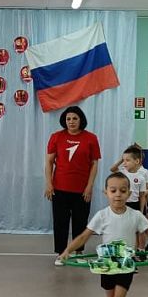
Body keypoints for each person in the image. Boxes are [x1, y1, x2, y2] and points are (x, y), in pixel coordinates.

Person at [45, 105, 101, 265]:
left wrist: (89, 186)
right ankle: (61, 254)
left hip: (82, 190)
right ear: (64, 120)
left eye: (75, 118)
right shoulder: (56, 137)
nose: (71, 121)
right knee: (60, 222)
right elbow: (49, 162)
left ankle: (79, 252)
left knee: (80, 222)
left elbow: (94, 164)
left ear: (81, 120)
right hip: (59, 189)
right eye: (68, 119)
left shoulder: (91, 138)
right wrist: (49, 184)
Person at [110, 144, 148, 259]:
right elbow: (112, 169)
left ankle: (141, 251)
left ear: (137, 161)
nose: (125, 163)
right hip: (124, 205)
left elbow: (142, 195)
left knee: (140, 229)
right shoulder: (123, 173)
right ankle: (129, 252)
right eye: (124, 160)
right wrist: (122, 160)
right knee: (126, 230)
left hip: (136, 205)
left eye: (127, 160)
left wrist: (142, 210)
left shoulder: (141, 176)